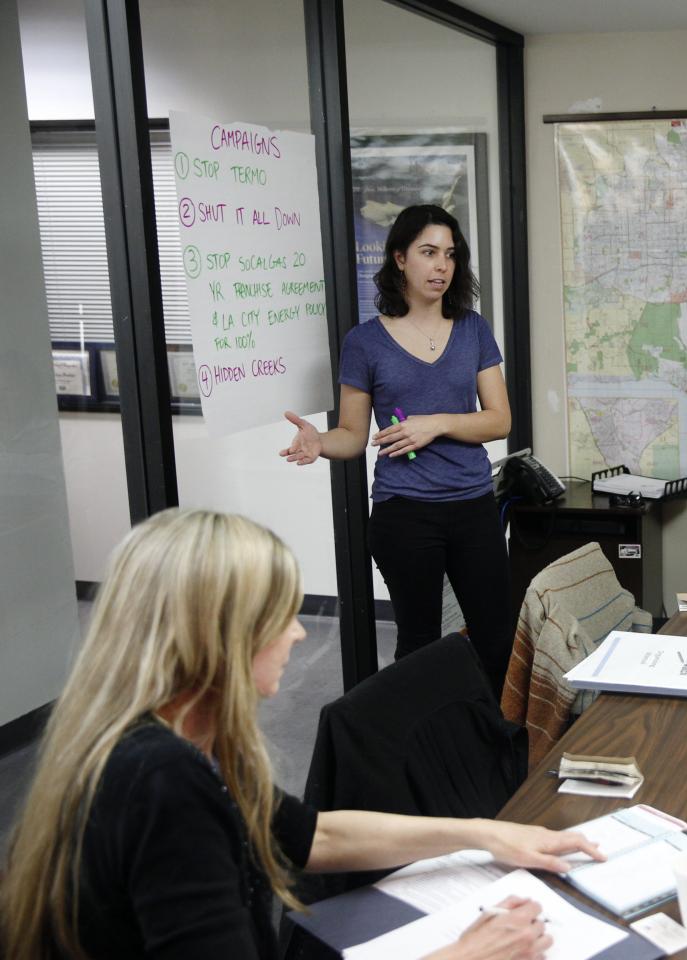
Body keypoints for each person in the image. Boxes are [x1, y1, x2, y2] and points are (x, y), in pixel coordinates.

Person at [0, 509, 602, 960]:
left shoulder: (170, 741)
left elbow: (319, 835)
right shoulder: (162, 782)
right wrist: (458, 956)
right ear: (220, 636)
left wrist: (487, 835)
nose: (298, 634)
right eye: (279, 617)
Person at [281, 204, 513, 687]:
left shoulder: (472, 328)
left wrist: (436, 424)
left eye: (450, 254)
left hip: (472, 506)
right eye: (428, 252)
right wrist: (318, 442)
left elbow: (499, 421)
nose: (442, 265)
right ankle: (420, 754)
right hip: (404, 512)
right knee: (420, 645)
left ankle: (492, 749)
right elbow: (351, 434)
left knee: (497, 638)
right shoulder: (365, 343)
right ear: (400, 259)